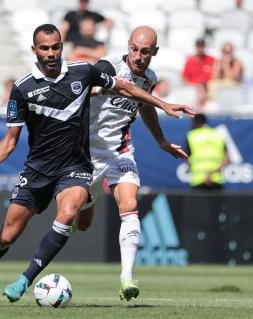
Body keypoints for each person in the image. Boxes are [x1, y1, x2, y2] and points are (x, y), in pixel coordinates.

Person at [0, 24, 193, 307]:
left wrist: (162, 106)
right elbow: (10, 140)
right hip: (40, 167)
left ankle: (25, 279)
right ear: (34, 50)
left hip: (78, 164)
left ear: (62, 47)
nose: (51, 53)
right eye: (44, 48)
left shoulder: (83, 71)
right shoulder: (22, 88)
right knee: (9, 235)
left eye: (55, 47)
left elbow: (125, 87)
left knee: (68, 214)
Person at [73, 26, 190, 301]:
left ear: (155, 52)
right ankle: (89, 200)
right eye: (134, 49)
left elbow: (145, 105)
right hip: (87, 151)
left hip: (120, 151)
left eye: (145, 51)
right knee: (83, 221)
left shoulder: (149, 78)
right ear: (128, 46)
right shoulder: (107, 65)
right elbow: (83, 90)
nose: (138, 56)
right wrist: (102, 90)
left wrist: (160, 140)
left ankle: (127, 277)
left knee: (130, 205)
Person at [185, 114, 230, 191]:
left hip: (198, 179)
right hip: (216, 179)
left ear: (195, 122)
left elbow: (186, 157)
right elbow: (227, 159)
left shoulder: (191, 136)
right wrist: (212, 174)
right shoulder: (218, 135)